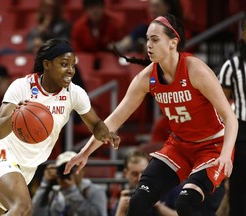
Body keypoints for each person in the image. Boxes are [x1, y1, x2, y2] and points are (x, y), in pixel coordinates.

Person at [64, 14, 238, 216]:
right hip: (180, 147)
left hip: (212, 147)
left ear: (173, 43)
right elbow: (114, 120)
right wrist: (85, 152)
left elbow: (230, 118)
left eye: (155, 39)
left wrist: (225, 155)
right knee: (137, 201)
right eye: (147, 39)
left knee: (186, 202)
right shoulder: (146, 78)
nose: (149, 44)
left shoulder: (195, 70)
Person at [0, 39, 120, 216]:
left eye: (72, 65)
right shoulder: (22, 86)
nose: (70, 70)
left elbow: (96, 124)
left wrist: (106, 134)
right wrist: (16, 114)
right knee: (22, 208)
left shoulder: (74, 93)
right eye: (63, 64)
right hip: (2, 155)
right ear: (47, 64)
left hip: (27, 168)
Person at [218, 17, 246, 216]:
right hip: (242, 131)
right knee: (239, 187)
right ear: (243, 34)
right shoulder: (232, 66)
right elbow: (220, 105)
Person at [32, 151, 108, 216]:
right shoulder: (54, 192)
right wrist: (45, 184)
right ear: (57, 172)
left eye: (72, 168)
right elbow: (35, 213)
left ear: (82, 172)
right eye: (63, 169)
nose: (67, 172)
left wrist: (71, 191)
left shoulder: (94, 191)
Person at [112, 149, 179, 216]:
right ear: (125, 174)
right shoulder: (125, 197)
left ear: (150, 170)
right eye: (134, 174)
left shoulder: (168, 188)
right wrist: (121, 210)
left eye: (143, 172)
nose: (139, 178)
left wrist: (158, 206)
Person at [112, 0, 183, 54]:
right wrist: (121, 46)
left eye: (157, 6)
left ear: (167, 7)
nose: (153, 10)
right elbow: (132, 37)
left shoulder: (176, 26)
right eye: (151, 6)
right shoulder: (150, 23)